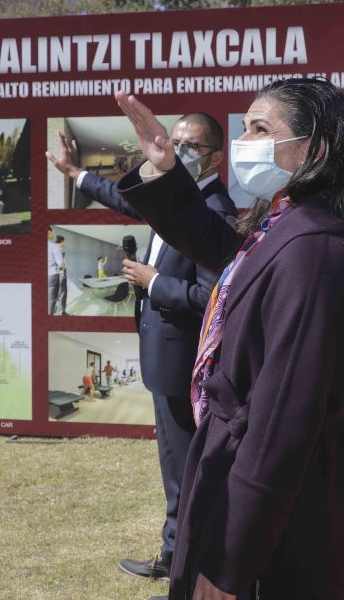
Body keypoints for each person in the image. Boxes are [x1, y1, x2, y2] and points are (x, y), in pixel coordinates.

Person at [114, 78, 344, 600]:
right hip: (274, 487)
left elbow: (281, 425)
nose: (245, 141)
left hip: (280, 514)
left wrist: (229, 562)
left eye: (261, 128)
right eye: (244, 127)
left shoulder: (313, 251)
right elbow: (227, 252)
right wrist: (164, 173)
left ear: (313, 148)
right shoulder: (292, 218)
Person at [46, 113, 236, 583]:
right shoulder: (176, 199)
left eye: (190, 146)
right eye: (173, 142)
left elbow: (214, 300)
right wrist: (77, 175)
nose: (177, 152)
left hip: (182, 362)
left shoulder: (213, 209)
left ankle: (184, 568)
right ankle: (177, 556)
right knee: (175, 464)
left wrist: (156, 283)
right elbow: (129, 201)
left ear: (215, 156)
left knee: (183, 468)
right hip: (164, 357)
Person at [47, 227, 68, 315]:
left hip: (51, 274)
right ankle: (62, 311)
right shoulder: (55, 247)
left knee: (52, 297)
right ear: (62, 241)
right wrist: (63, 272)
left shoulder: (55, 247)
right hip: (57, 274)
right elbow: (60, 264)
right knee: (58, 295)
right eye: (64, 241)